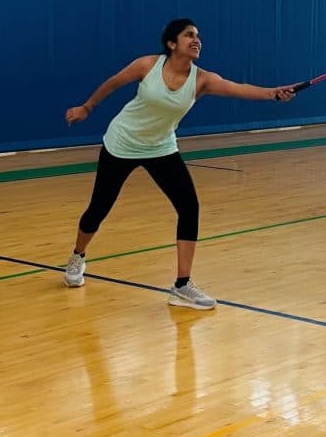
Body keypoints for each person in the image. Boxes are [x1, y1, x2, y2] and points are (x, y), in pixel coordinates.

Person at [63, 18, 295, 309]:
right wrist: (87, 107)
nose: (196, 40)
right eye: (189, 35)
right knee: (99, 209)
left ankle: (182, 285)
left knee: (189, 206)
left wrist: (274, 92)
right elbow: (112, 83)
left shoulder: (202, 80)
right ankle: (78, 255)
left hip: (161, 147)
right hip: (121, 144)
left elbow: (240, 88)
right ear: (172, 44)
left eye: (198, 35)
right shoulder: (147, 65)